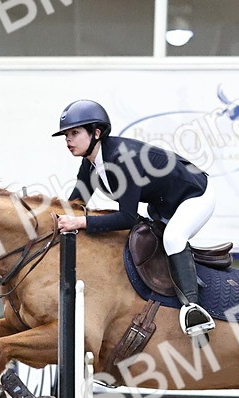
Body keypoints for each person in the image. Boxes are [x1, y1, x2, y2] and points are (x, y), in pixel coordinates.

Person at [53, 99, 216, 338]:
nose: (68, 140)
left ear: (96, 133)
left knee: (173, 238)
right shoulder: (89, 166)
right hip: (162, 206)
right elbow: (75, 207)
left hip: (195, 196)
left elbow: (128, 218)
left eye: (75, 133)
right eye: (66, 134)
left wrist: (80, 223)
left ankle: (193, 308)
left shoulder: (122, 158)